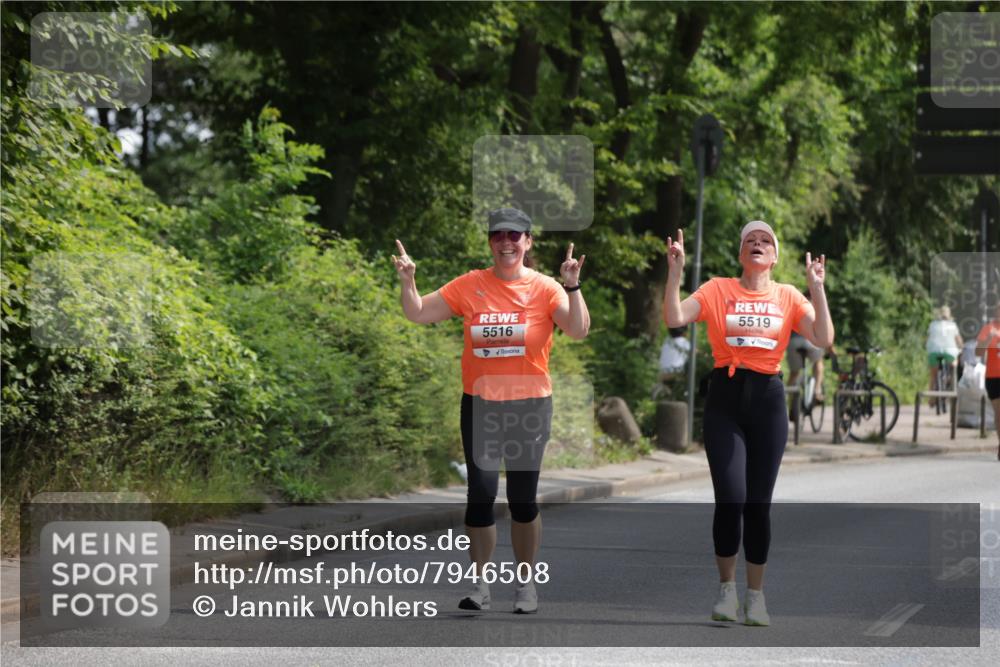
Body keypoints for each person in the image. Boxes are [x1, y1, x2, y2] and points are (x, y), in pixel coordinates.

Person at [392, 207, 590, 613]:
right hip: (481, 403)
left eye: (515, 236)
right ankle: (480, 584)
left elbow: (578, 329)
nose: (506, 242)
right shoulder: (471, 284)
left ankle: (525, 585)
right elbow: (417, 313)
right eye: (498, 235)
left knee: (522, 499)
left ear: (528, 242)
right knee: (480, 494)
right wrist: (408, 282)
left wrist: (573, 287)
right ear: (490, 242)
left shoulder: (546, 288)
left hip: (529, 404)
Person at [662, 221, 834, 626]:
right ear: (741, 255)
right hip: (725, 397)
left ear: (774, 257)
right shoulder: (718, 289)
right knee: (731, 497)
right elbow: (675, 317)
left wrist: (818, 290)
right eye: (750, 241)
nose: (758, 245)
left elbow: (823, 338)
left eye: (766, 241)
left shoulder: (788, 296)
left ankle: (755, 597)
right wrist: (675, 274)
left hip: (768, 402)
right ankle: (726, 591)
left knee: (758, 504)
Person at [786, 289, 827, 404]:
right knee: (818, 362)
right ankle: (817, 391)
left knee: (794, 372)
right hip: (811, 342)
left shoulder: (797, 305)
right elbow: (825, 331)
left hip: (793, 342)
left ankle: (789, 402)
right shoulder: (818, 306)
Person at [975, 305, 1000, 460]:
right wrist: (989, 339)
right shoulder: (988, 328)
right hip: (993, 376)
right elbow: (978, 352)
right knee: (999, 413)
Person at [927, 305, 963, 407]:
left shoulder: (933, 324)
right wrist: (961, 348)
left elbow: (928, 339)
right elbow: (959, 340)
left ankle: (931, 399)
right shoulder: (953, 325)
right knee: (954, 367)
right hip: (949, 352)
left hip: (933, 351)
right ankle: (952, 386)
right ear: (949, 315)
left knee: (933, 376)